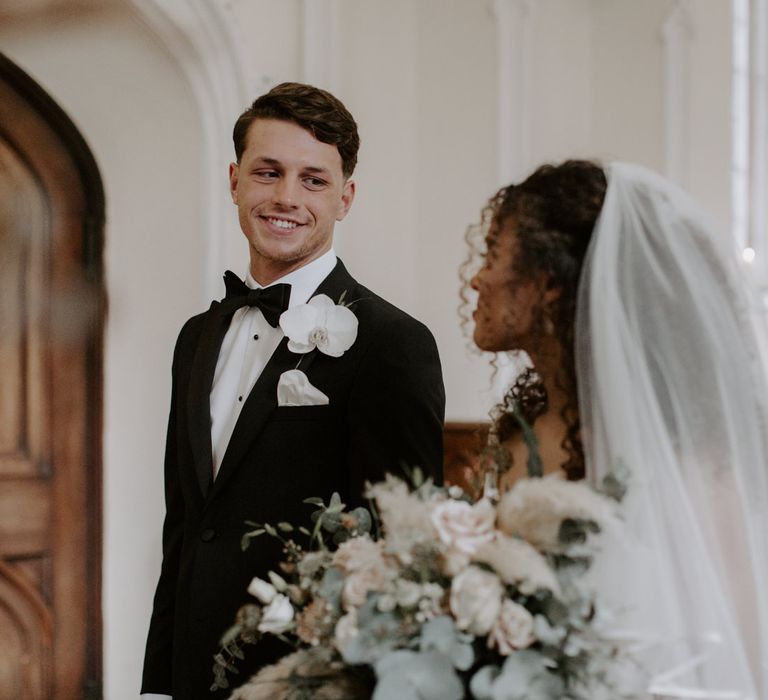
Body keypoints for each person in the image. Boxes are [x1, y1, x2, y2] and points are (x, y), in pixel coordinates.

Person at [141, 82, 445, 699]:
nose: (285, 197)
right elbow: (186, 534)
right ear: (234, 181)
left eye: (313, 180)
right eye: (267, 172)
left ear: (346, 197)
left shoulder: (392, 343)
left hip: (311, 678)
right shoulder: (197, 338)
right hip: (194, 677)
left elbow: (403, 553)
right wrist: (157, 685)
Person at [466, 160, 768, 697]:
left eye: (493, 254)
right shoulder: (517, 435)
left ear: (549, 283)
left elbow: (740, 642)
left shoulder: (682, 456)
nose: (477, 277)